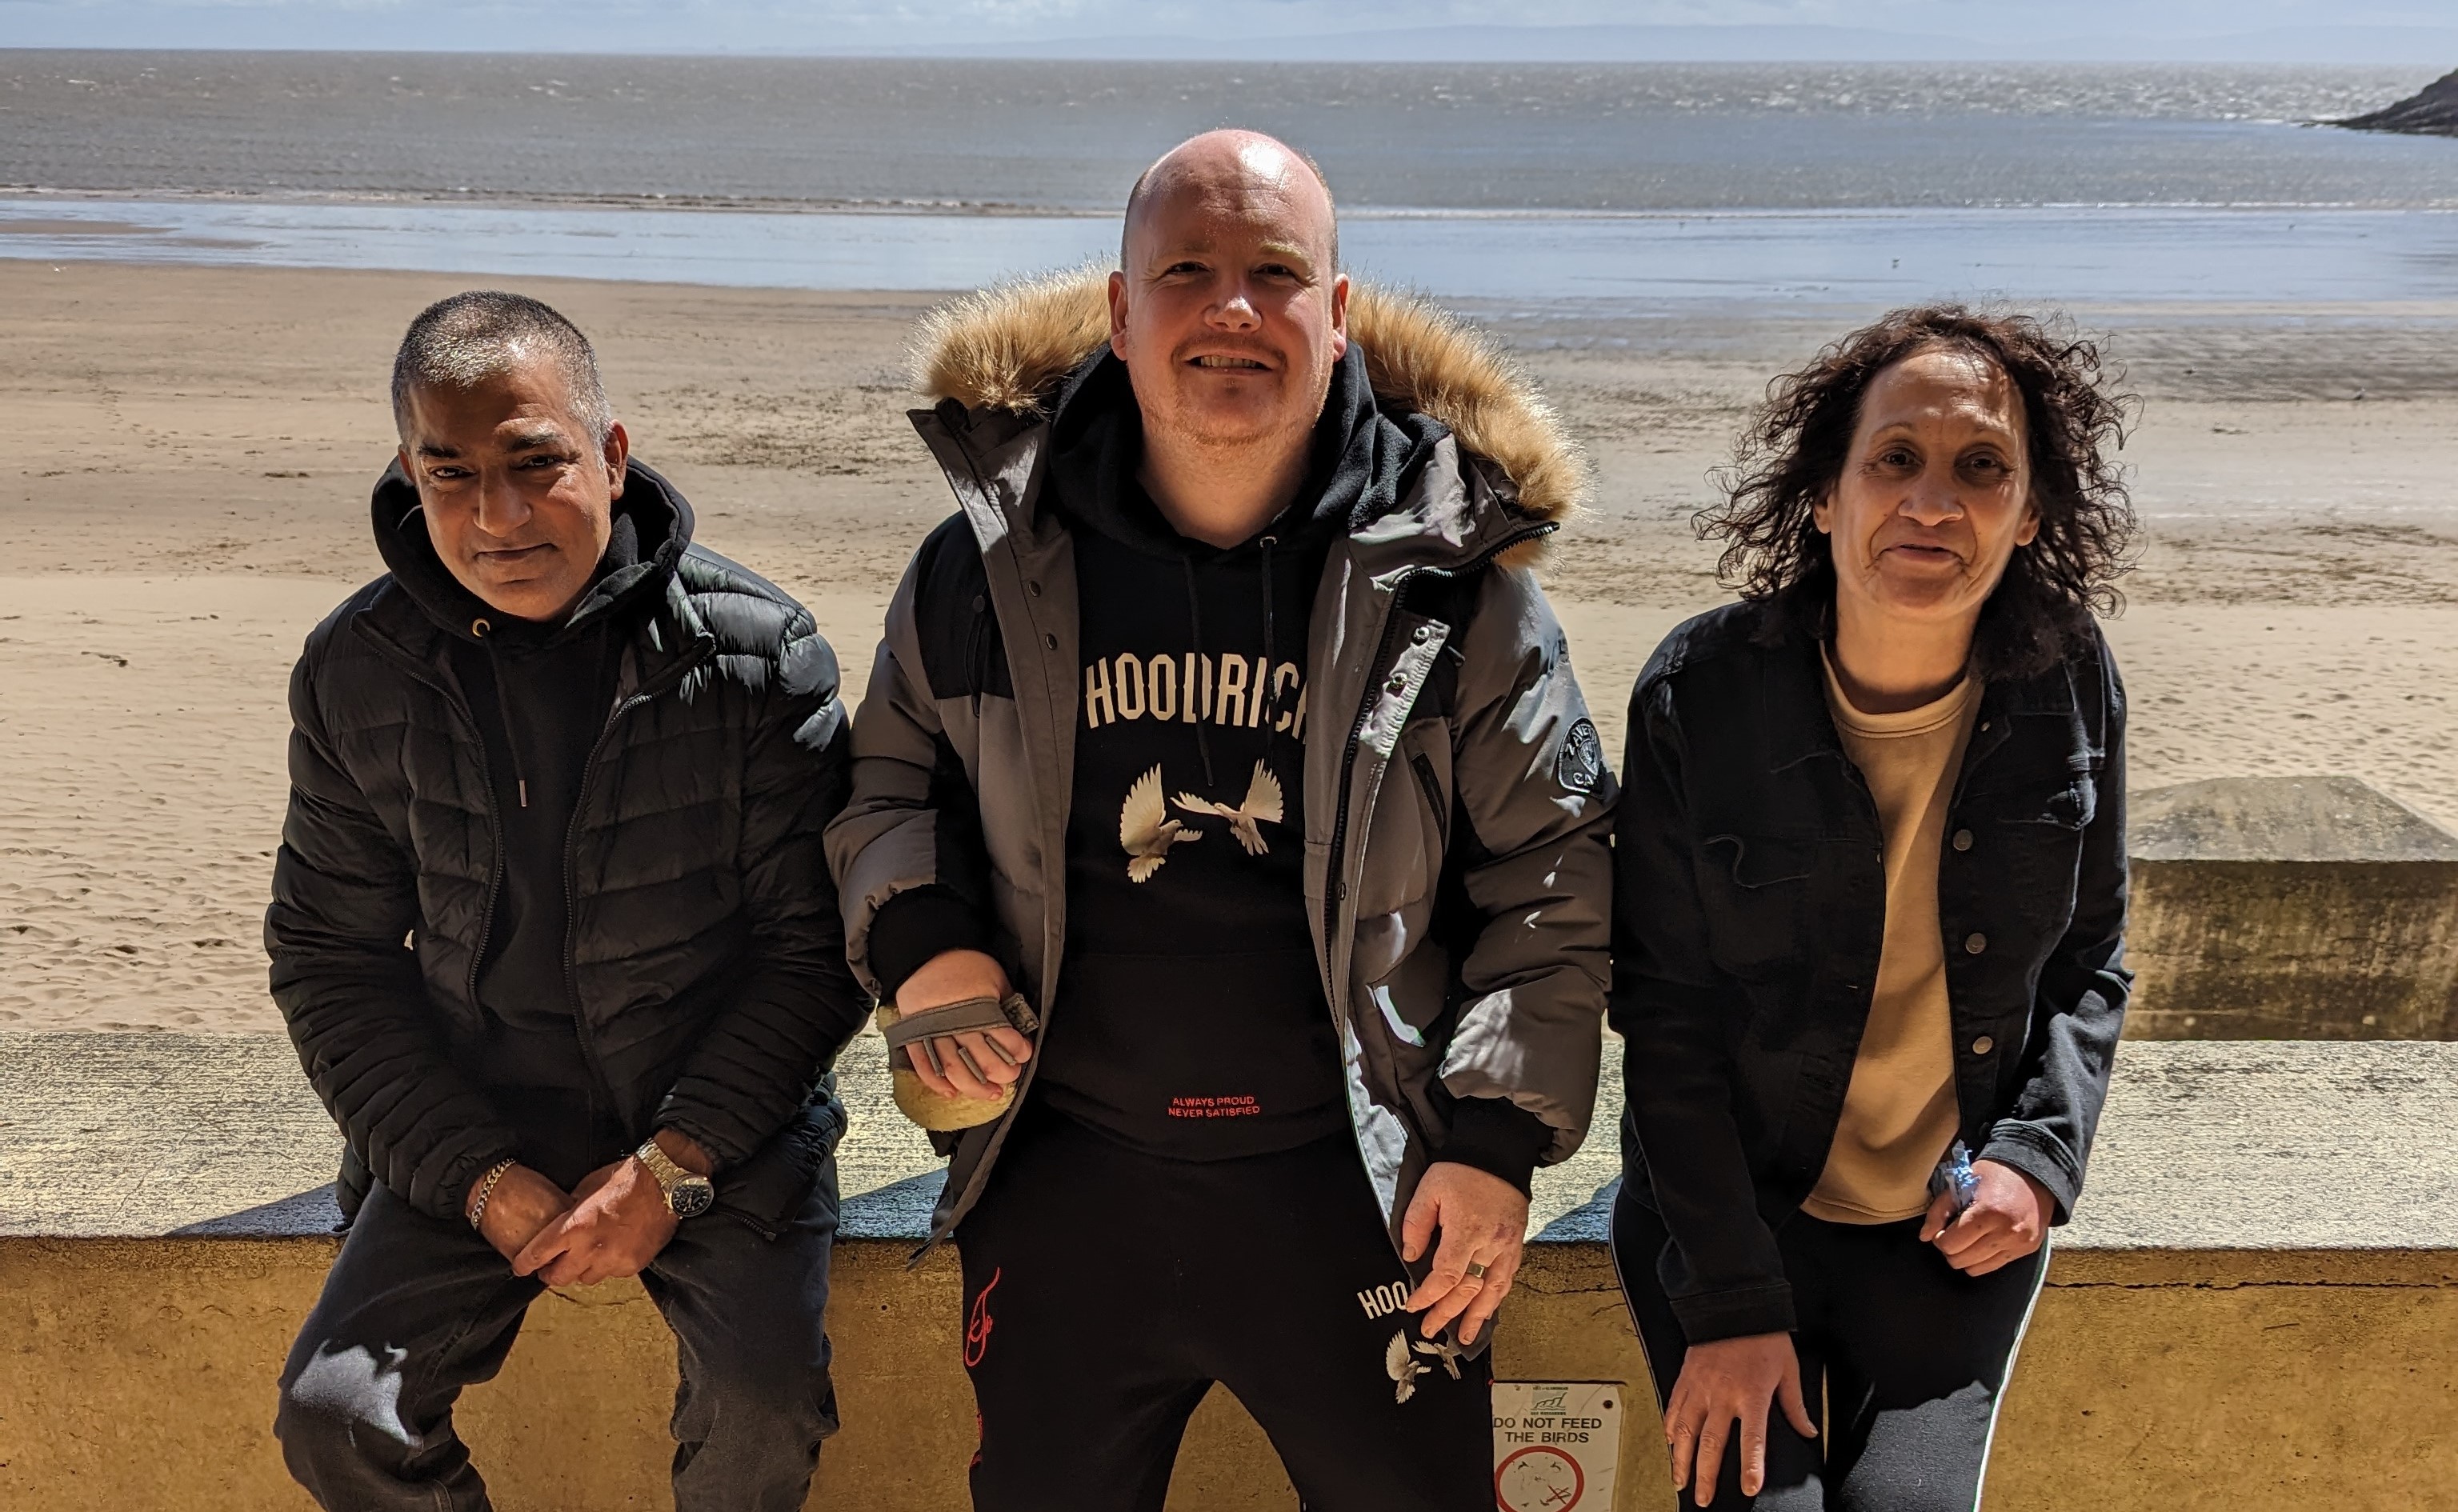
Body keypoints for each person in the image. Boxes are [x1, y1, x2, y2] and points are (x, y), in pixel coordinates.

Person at [826, 130, 1614, 1510]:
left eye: (1276, 271)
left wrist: (1493, 1142)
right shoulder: (979, 569)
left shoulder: (1457, 589)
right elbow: (888, 789)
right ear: (1121, 313)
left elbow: (1555, 873)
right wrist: (928, 946)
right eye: (1187, 269)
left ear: (1340, 311)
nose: (1233, 307)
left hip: (1358, 1185)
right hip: (1068, 1179)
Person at [266, 290, 863, 1512]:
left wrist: (675, 1164)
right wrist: (475, 1173)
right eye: (451, 473)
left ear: (611, 453)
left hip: (722, 1127)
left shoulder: (756, 654)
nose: (496, 516)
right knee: (334, 1416)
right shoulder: (356, 669)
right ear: (408, 470)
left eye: (536, 462)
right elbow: (331, 957)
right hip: (473, 1120)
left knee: (760, 1408)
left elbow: (815, 954)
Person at [1611, 306, 2137, 1509]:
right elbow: (1665, 1016)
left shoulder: (2071, 675)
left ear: (2031, 512)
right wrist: (1733, 1307)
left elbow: (2091, 953)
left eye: (1981, 468)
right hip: (1738, 1214)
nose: (1933, 503)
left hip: (1945, 1234)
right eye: (1894, 458)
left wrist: (2038, 1159)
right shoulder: (1703, 694)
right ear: (1825, 496)